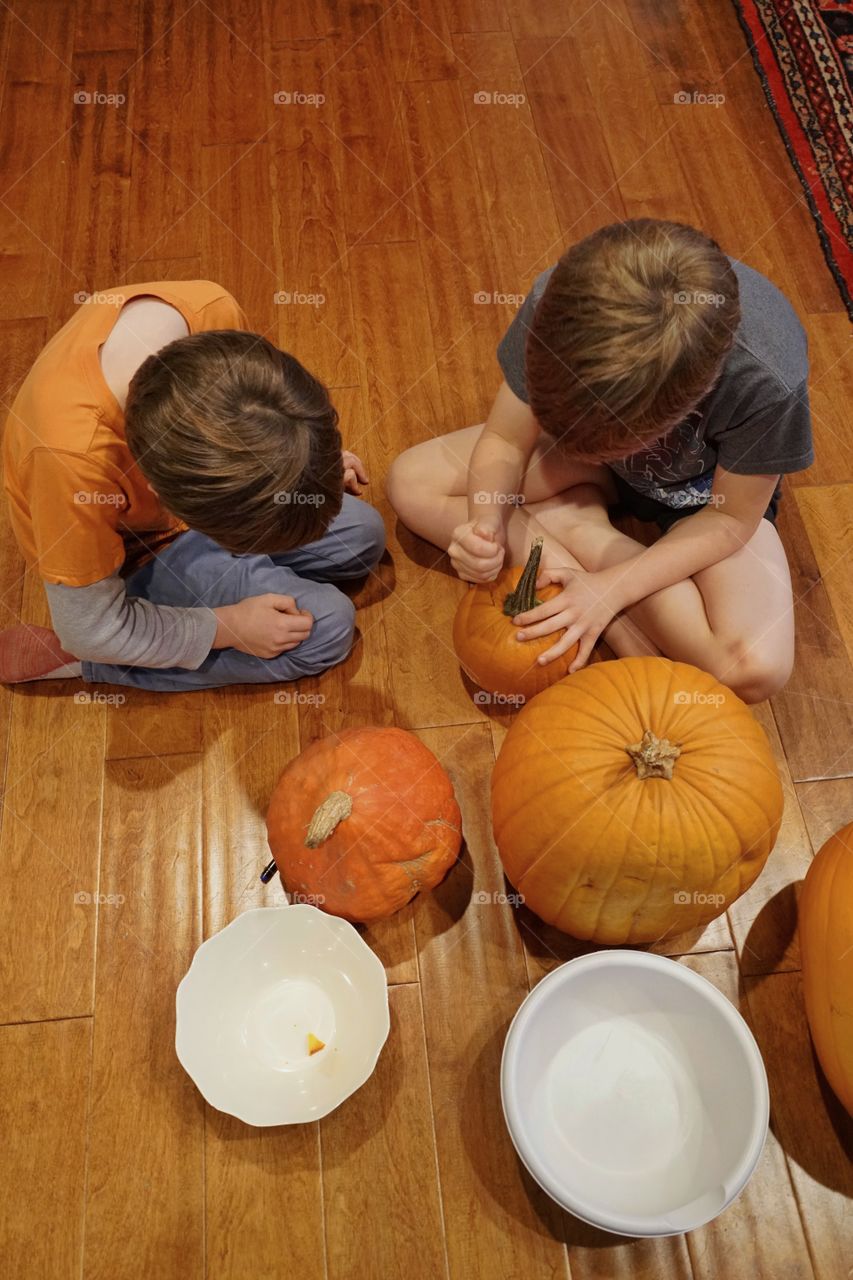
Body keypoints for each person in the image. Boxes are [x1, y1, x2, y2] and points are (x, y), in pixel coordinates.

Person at [387, 219, 812, 703]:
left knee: (754, 668)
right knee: (411, 481)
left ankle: (576, 528)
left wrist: (609, 589)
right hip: (579, 466)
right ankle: (581, 555)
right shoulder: (563, 305)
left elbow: (732, 518)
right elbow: (506, 440)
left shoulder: (768, 376)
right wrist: (485, 522)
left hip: (707, 500)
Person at [0, 281, 385, 690]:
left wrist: (304, 462)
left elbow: (260, 415)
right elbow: (90, 628)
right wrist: (226, 626)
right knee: (328, 625)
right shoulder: (69, 463)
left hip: (194, 503)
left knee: (363, 535)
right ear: (157, 490)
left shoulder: (210, 310)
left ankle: (237, 573)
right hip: (135, 553)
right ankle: (92, 665)